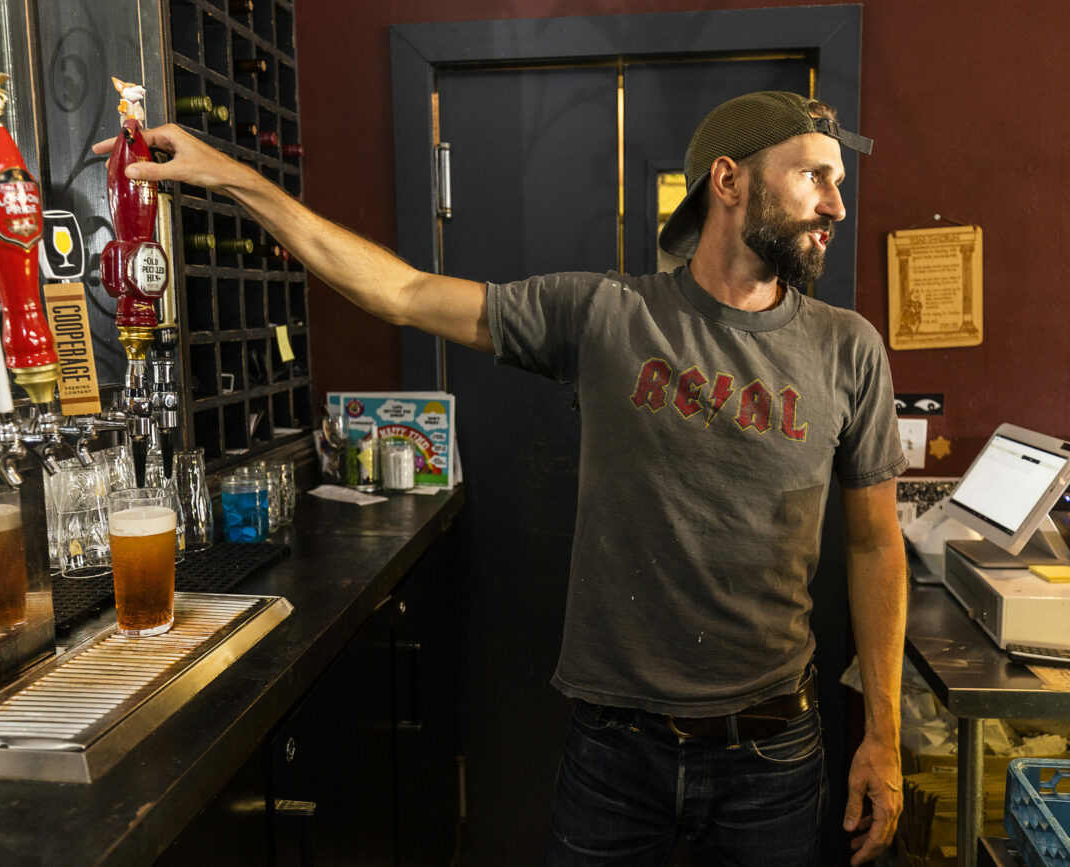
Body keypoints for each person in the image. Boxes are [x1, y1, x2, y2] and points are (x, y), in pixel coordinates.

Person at [94, 89, 906, 866]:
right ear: (728, 180)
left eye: (838, 181)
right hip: (615, 750)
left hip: (771, 748)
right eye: (814, 175)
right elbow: (404, 292)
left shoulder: (849, 348)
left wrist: (885, 733)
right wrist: (231, 177)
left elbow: (875, 546)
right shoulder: (608, 316)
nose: (835, 204)